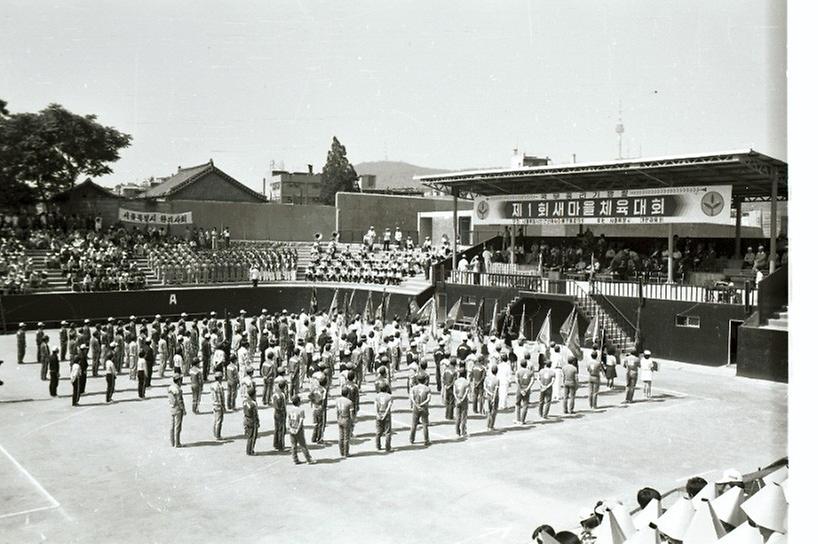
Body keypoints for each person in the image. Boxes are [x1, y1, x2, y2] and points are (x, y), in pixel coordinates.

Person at [287, 395, 314, 464]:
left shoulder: (290, 409)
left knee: (293, 445)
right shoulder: (301, 410)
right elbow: (301, 421)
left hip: (292, 428)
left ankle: (295, 459)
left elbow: (288, 420)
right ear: (298, 402)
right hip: (299, 430)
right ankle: (308, 459)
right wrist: (297, 429)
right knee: (303, 445)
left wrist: (290, 428)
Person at [409, 374, 431, 446]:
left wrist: (416, 404)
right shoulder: (427, 388)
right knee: (425, 424)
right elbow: (428, 399)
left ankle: (411, 439)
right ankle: (426, 440)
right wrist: (422, 404)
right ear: (425, 380)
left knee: (414, 424)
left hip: (416, 407)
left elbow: (411, 397)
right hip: (424, 408)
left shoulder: (414, 388)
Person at [336, 386, 355, 458]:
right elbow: (351, 414)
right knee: (346, 437)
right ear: (348, 394)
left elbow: (337, 411)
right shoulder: (349, 402)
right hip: (346, 418)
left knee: (341, 436)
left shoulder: (338, 400)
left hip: (340, 418)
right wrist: (352, 422)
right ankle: (346, 453)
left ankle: (341, 452)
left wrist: (337, 419)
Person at [374, 382, 393, 452]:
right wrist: (385, 413)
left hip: (379, 413)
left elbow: (375, 405)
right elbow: (389, 406)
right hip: (386, 414)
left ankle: (378, 446)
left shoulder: (377, 396)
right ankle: (388, 447)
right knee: (387, 431)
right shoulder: (389, 396)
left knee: (378, 431)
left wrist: (377, 414)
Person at [515, 357, 535, 424]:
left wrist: (520, 389)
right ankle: (522, 420)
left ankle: (518, 419)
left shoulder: (518, 371)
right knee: (525, 404)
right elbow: (532, 381)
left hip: (520, 388)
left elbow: (516, 381)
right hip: (526, 388)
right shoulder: (530, 372)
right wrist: (527, 389)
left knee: (518, 404)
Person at [168, 373, 185, 447]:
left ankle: (172, 442)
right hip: (178, 409)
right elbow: (180, 400)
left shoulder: (170, 387)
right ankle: (177, 443)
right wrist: (183, 409)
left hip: (172, 408)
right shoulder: (178, 389)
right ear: (178, 380)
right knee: (178, 426)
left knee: (172, 426)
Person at [310, 376, 328, 444]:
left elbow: (310, 395)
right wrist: (323, 407)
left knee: (315, 423)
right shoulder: (323, 390)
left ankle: (313, 437)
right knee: (321, 423)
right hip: (320, 407)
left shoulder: (315, 388)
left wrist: (313, 401)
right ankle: (319, 438)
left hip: (314, 407)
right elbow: (324, 400)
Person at [453, 369, 470, 437]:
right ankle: (463, 432)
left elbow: (454, 392)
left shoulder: (456, 382)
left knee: (457, 416)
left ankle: (457, 432)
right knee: (464, 417)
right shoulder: (466, 382)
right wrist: (462, 399)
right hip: (464, 400)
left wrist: (457, 399)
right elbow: (466, 392)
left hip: (457, 399)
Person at [243, 387, 260, 455]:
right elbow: (255, 413)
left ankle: (248, 450)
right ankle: (250, 450)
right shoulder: (253, 403)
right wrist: (258, 422)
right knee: (253, 436)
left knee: (249, 435)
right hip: (252, 421)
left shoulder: (245, 401)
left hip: (246, 419)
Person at [272, 380, 287, 451]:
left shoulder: (274, 394)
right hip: (281, 413)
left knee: (276, 428)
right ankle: (281, 445)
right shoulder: (282, 395)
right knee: (281, 429)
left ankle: (275, 444)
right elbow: (283, 405)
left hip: (275, 412)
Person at [210, 370, 226, 439]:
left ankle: (214, 433)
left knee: (215, 420)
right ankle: (218, 435)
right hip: (218, 405)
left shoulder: (212, 385)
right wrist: (223, 406)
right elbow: (220, 398)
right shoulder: (219, 386)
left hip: (214, 404)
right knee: (219, 421)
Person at [484, 364, 500, 430]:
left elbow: (484, 387)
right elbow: (496, 390)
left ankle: (487, 425)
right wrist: (493, 397)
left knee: (489, 411)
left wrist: (489, 393)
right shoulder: (497, 379)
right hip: (494, 397)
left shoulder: (487, 378)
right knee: (494, 412)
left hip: (488, 396)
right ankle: (491, 426)